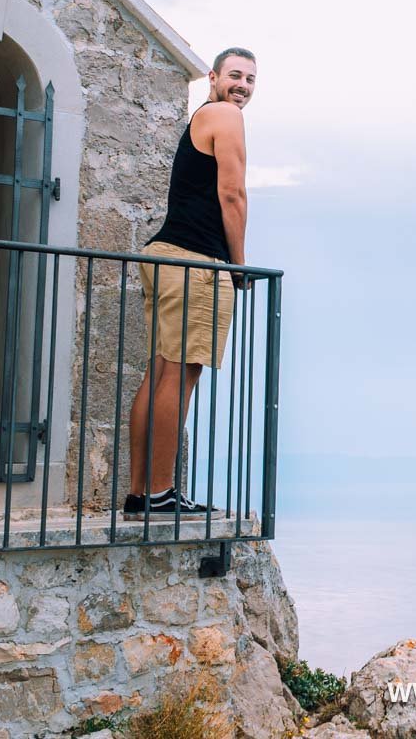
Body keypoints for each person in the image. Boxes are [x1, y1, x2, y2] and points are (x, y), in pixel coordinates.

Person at [124, 47, 255, 516]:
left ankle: (141, 493)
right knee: (181, 375)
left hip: (165, 255)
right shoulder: (224, 115)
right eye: (235, 75)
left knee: (158, 373)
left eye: (251, 79)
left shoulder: (202, 116)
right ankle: (161, 496)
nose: (242, 85)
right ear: (213, 77)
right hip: (196, 262)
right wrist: (237, 267)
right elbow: (232, 193)